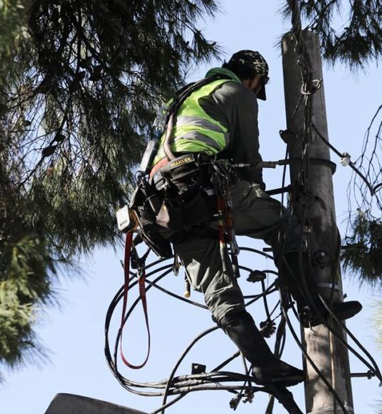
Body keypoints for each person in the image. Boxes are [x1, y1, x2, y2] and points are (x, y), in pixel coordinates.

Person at [148, 50, 362, 386]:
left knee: (219, 292)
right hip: (204, 187)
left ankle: (264, 365)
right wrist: (258, 194)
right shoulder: (236, 94)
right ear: (254, 78)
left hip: (166, 207)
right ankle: (313, 307)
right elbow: (247, 158)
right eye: (257, 85)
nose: (255, 90)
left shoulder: (189, 94)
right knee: (285, 226)